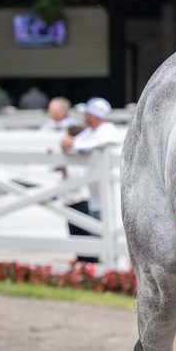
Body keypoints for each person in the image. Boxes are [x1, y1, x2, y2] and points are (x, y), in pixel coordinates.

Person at [59, 97, 120, 263]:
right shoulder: (90, 132)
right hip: (94, 194)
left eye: (88, 113)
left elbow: (98, 144)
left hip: (109, 194)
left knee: (110, 231)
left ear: (95, 115)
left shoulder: (108, 130)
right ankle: (98, 265)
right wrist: (69, 144)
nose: (85, 116)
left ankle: (112, 265)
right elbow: (75, 145)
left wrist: (74, 144)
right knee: (95, 230)